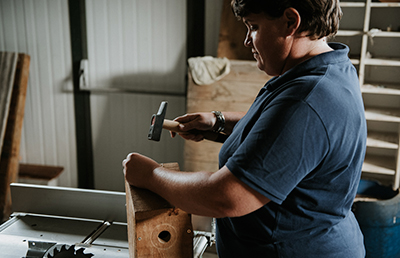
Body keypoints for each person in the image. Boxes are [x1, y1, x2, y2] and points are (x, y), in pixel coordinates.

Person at [123, 0, 367, 257]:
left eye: (253, 27)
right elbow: (283, 137)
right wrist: (219, 123)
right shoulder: (327, 69)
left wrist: (151, 175)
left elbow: (225, 197)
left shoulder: (305, 100)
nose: (246, 41)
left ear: (290, 22)